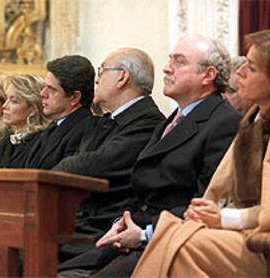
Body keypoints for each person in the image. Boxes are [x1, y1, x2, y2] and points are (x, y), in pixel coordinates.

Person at [132, 29, 270, 277]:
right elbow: (222, 193)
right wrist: (205, 211)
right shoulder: (252, 122)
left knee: (182, 246)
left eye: (251, 68)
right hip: (245, 235)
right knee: (172, 232)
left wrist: (226, 218)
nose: (239, 72)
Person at [58, 36, 241, 277]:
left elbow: (205, 203)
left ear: (207, 75)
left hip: (171, 241)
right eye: (169, 59)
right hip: (135, 232)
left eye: (179, 61)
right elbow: (143, 189)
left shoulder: (223, 122)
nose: (166, 67)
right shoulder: (172, 120)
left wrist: (144, 234)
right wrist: (120, 224)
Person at [53, 48, 165, 259]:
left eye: (102, 70)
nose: (97, 79)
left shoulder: (147, 121)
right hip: (79, 222)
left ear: (122, 77)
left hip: (102, 228)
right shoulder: (107, 120)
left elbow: (91, 166)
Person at [24, 55, 94, 169]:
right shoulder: (54, 126)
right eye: (44, 87)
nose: (43, 93)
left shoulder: (84, 131)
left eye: (51, 89)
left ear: (74, 97)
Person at [0, 74, 48, 168]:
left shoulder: (40, 143)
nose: (4, 106)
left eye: (14, 101)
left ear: (33, 109)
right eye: (6, 98)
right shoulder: (6, 140)